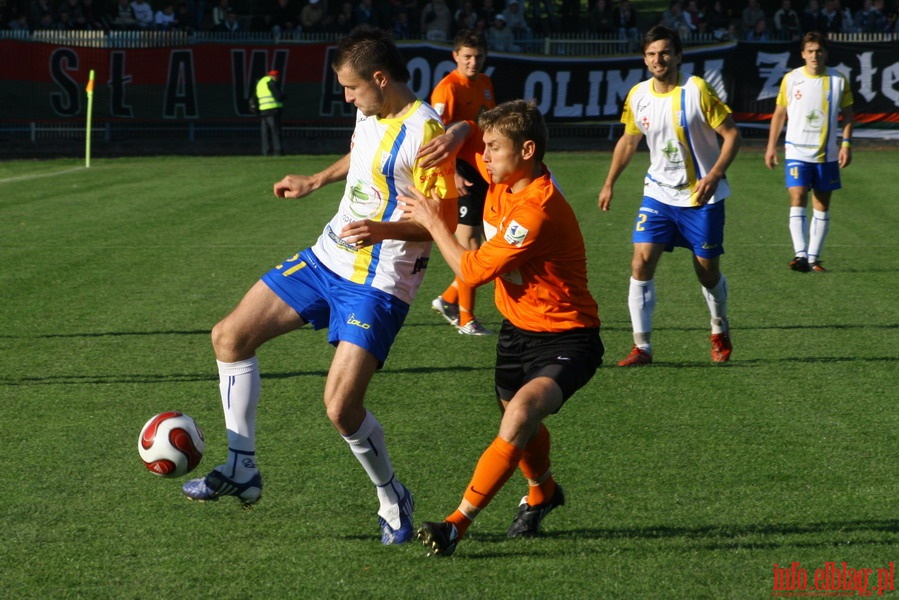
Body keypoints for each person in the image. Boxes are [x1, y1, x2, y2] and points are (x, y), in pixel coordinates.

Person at [181, 25, 458, 547]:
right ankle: (242, 467)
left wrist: (383, 228)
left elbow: (438, 224)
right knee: (229, 337)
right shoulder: (371, 111)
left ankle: (391, 494)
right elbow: (364, 156)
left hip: (380, 281)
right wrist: (316, 180)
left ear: (380, 79)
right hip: (326, 256)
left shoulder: (427, 133)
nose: (347, 97)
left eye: (353, 88)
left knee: (341, 408)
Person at [400, 99, 603, 557]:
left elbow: (470, 271)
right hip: (516, 331)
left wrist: (433, 219)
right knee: (520, 424)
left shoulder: (536, 210)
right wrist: (456, 137)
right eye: (485, 148)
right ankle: (543, 492)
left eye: (495, 149)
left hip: (568, 336)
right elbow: (468, 128)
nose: (485, 156)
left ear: (526, 150)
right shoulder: (501, 173)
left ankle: (455, 525)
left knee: (518, 416)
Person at [598, 25, 741, 367]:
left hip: (701, 199)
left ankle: (719, 327)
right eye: (651, 54)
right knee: (641, 262)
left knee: (706, 273)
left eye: (664, 52)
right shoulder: (638, 95)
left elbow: (732, 134)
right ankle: (641, 347)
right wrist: (609, 182)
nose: (657, 59)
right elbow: (629, 140)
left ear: (678, 56)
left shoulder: (697, 90)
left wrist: (714, 174)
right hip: (658, 195)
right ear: (645, 59)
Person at [764, 31, 853, 273]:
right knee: (797, 196)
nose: (815, 55)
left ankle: (813, 258)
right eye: (810, 51)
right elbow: (780, 113)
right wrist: (771, 145)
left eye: (819, 50)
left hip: (827, 153)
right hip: (796, 151)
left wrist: (846, 143)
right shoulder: (791, 79)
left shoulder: (838, 80)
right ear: (803, 54)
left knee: (822, 205)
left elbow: (848, 114)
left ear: (825, 53)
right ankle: (800, 254)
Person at [429, 30, 497, 336]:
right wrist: (452, 172)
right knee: (470, 246)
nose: (473, 61)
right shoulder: (447, 90)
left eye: (478, 56)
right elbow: (438, 136)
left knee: (482, 246)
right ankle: (466, 319)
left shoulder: (484, 84)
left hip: (483, 169)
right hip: (461, 173)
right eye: (467, 56)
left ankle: (448, 299)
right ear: (455, 56)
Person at [251, 69, 285, 156]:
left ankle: (266, 152)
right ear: (275, 76)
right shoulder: (270, 82)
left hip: (263, 111)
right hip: (272, 110)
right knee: (275, 132)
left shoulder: (260, 83)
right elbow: (278, 96)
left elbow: (254, 97)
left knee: (265, 133)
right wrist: (284, 97)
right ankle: (278, 152)